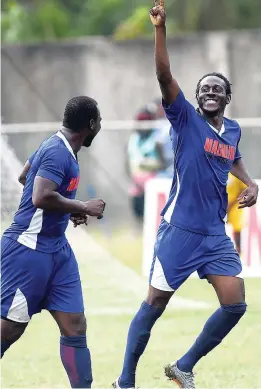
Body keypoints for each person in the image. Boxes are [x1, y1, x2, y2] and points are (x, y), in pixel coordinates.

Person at [113, 1, 259, 388]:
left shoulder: (232, 130)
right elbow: (164, 74)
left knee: (236, 304)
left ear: (226, 98)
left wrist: (251, 182)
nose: (211, 92)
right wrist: (160, 29)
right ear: (196, 98)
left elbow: (234, 157)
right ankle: (125, 380)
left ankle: (184, 366)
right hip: (179, 230)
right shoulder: (184, 118)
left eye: (217, 89)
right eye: (205, 89)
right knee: (154, 304)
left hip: (213, 234)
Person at [1, 96, 106, 388]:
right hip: (27, 249)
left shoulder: (61, 147)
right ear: (91, 125)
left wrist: (67, 210)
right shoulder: (57, 151)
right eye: (100, 121)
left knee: (75, 326)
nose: (100, 126)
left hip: (58, 252)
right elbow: (39, 195)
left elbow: (25, 176)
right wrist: (82, 206)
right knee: (9, 329)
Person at [126, 108, 166, 219]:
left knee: (153, 216)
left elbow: (162, 164)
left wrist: (147, 164)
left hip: (152, 184)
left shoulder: (156, 140)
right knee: (139, 213)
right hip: (137, 186)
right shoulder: (133, 140)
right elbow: (129, 163)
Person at [227, 173, 247, 255]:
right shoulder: (220, 171)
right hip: (221, 206)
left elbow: (244, 188)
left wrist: (234, 202)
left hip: (235, 207)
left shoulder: (237, 173)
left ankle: (238, 252)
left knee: (237, 229)